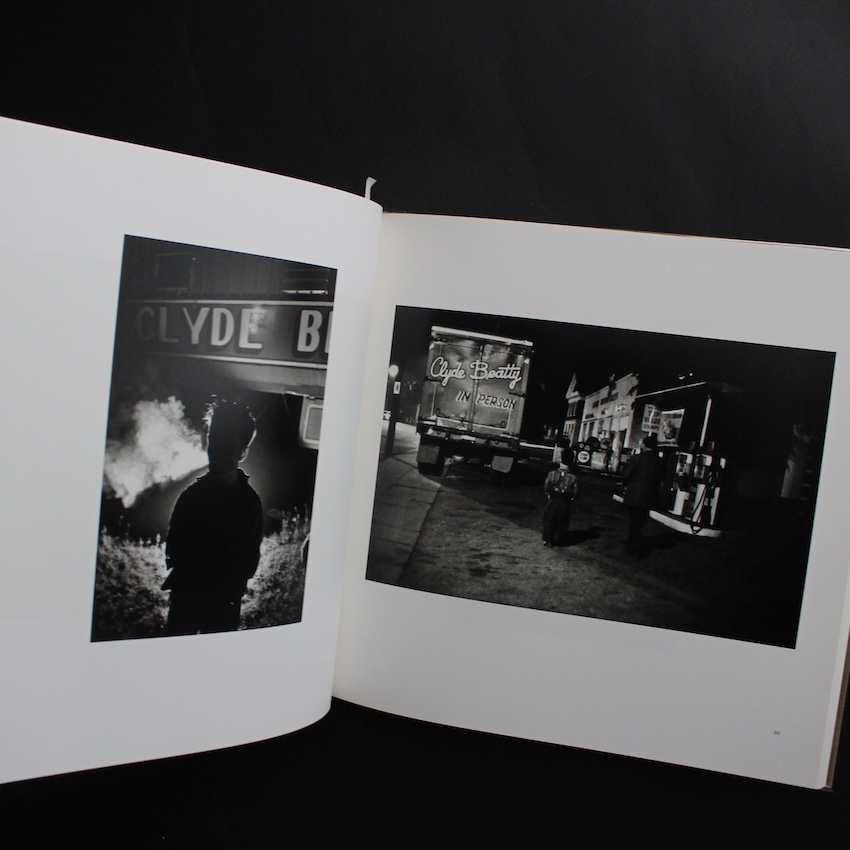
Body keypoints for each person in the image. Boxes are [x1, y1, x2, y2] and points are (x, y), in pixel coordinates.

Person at [162, 400, 264, 635]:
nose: (216, 450)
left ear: (242, 451)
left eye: (226, 442)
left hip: (221, 603)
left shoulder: (248, 503)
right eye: (213, 440)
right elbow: (175, 548)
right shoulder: (192, 497)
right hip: (190, 599)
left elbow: (248, 559)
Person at [621, 433, 665, 557]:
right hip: (649, 496)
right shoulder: (660, 461)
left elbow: (626, 475)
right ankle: (636, 545)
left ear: (644, 445)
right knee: (640, 521)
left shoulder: (636, 458)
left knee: (634, 523)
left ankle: (633, 548)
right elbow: (662, 477)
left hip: (634, 495)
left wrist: (624, 483)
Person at [542, 461, 579, 548]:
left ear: (561, 462)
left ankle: (547, 539)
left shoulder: (552, 474)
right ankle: (557, 538)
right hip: (565, 500)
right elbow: (575, 493)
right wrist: (570, 499)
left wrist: (549, 495)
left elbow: (546, 486)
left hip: (553, 498)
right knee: (563, 520)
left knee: (549, 519)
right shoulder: (573, 477)